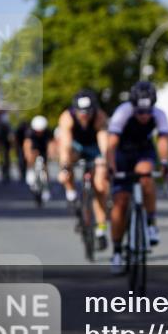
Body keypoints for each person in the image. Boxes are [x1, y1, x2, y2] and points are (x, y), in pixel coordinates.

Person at [106, 81, 168, 275]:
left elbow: (163, 140)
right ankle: (117, 251)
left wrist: (165, 162)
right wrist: (110, 166)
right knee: (120, 202)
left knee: (146, 175)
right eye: (140, 112)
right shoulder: (122, 113)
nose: (144, 116)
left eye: (148, 111)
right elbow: (111, 145)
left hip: (144, 150)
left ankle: (151, 223)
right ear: (133, 107)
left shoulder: (159, 115)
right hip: (122, 154)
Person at [57, 89, 111, 250]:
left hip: (94, 147)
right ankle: (71, 193)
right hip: (76, 146)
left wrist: (104, 161)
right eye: (81, 112)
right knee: (66, 172)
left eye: (88, 112)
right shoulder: (67, 117)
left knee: (100, 186)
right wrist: (65, 166)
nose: (84, 115)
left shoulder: (99, 116)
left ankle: (101, 230)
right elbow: (65, 144)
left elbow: (104, 143)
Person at [23, 115, 52, 202]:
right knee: (31, 156)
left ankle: (46, 186)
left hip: (43, 148)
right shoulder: (30, 132)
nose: (39, 132)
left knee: (45, 165)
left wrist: (51, 153)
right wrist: (27, 155)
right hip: (34, 147)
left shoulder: (47, 132)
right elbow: (27, 144)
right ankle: (30, 171)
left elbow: (51, 143)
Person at [0, 112, 13, 183]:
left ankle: (6, 172)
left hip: (6, 146)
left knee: (6, 159)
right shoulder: (0, 127)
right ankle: (4, 172)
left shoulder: (8, 127)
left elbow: (11, 137)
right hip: (2, 146)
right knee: (3, 159)